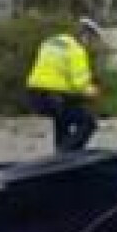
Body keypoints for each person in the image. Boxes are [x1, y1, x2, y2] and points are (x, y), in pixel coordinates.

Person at [26, 19, 103, 153]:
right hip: (54, 97)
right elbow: (80, 85)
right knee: (89, 122)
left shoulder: (51, 41)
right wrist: (95, 92)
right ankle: (65, 155)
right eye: (92, 40)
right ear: (86, 35)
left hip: (34, 95)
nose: (91, 44)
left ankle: (60, 154)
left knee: (62, 120)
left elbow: (56, 75)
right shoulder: (77, 50)